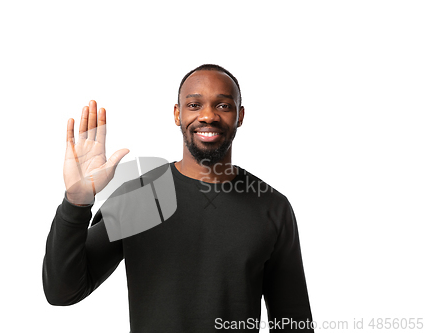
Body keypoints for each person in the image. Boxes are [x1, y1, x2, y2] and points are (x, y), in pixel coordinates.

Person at [43, 64, 315, 332]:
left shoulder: (271, 206)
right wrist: (76, 201)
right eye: (194, 105)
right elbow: (62, 291)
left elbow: (293, 321)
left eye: (223, 106)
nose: (208, 116)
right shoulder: (139, 198)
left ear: (240, 116)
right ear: (177, 114)